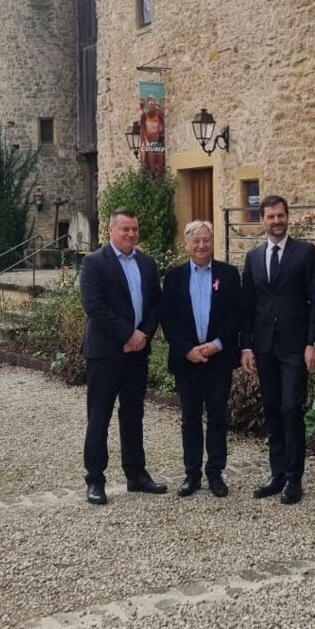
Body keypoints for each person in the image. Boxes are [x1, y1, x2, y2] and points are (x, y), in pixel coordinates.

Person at [79, 208, 167, 505]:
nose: (130, 234)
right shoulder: (94, 263)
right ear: (111, 231)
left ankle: (136, 474)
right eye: (125, 229)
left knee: (133, 415)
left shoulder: (146, 263)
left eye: (134, 229)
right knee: (99, 417)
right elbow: (94, 305)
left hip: (137, 353)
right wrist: (127, 335)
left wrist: (143, 334)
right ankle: (95, 480)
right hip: (105, 354)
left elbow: (156, 303)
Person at [241, 195, 315, 505]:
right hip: (264, 346)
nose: (276, 221)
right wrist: (246, 346)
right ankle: (277, 474)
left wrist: (313, 342)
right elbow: (248, 305)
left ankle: (294, 477)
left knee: (291, 409)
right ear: (262, 221)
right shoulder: (253, 257)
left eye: (281, 216)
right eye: (270, 217)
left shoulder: (305, 253)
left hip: (295, 347)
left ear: (288, 217)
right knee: (273, 410)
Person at [161, 220, 241, 498]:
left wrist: (217, 345)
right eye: (196, 241)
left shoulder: (229, 275)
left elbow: (236, 316)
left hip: (218, 359)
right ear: (187, 244)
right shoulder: (173, 278)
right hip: (187, 361)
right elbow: (167, 320)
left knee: (218, 417)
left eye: (206, 240)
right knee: (190, 419)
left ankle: (215, 473)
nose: (201, 246)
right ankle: (191, 474)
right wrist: (187, 350)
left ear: (212, 241)